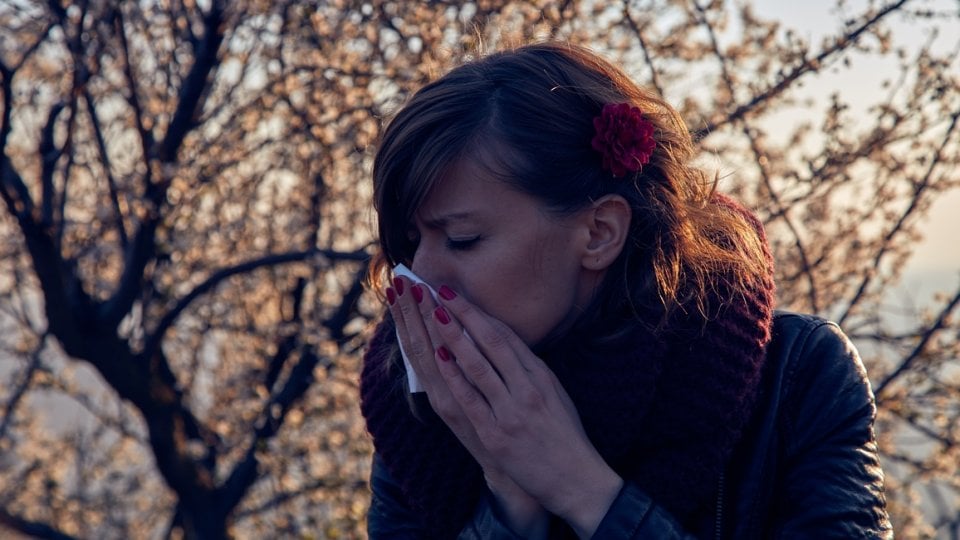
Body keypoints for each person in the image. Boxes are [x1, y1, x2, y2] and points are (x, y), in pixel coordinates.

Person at [359, 42, 892, 539]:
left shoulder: (799, 379)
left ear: (599, 233)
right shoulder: (416, 410)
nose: (421, 272)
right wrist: (508, 499)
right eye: (412, 241)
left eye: (462, 239)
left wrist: (582, 489)